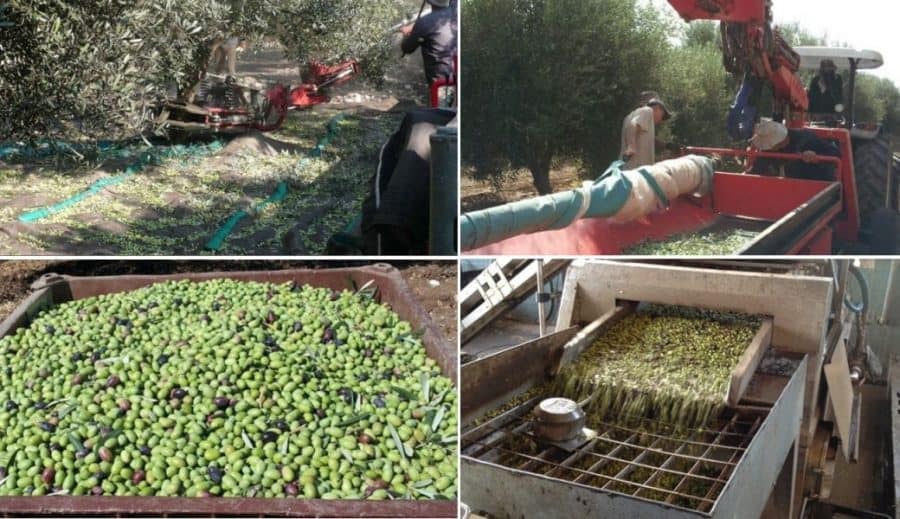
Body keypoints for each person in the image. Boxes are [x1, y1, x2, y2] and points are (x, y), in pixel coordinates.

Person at [750, 119, 841, 181]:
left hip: (816, 185)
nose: (767, 148)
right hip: (788, 188)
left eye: (768, 145)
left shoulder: (807, 138)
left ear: (780, 142)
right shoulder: (770, 149)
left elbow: (836, 154)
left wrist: (816, 158)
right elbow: (759, 166)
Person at [400, 0, 458, 87]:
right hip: (457, 74)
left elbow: (407, 48)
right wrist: (415, 27)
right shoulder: (455, 14)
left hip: (440, 82)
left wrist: (405, 35)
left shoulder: (423, 22)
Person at [620, 92, 672, 169]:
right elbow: (633, 124)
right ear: (657, 107)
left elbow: (647, 138)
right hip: (635, 171)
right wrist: (631, 146)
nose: (661, 120)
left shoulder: (630, 116)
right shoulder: (648, 111)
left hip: (627, 168)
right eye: (662, 115)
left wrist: (668, 145)